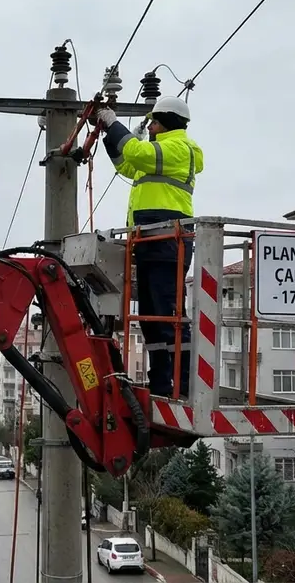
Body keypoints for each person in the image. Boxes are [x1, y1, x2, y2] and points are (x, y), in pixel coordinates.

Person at [93, 97, 204, 398]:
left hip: (168, 241)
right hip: (151, 242)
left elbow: (137, 151)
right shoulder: (158, 154)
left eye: (154, 121)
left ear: (166, 122)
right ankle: (160, 383)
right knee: (151, 318)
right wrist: (108, 133)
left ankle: (183, 385)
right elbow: (127, 165)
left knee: (169, 317)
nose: (150, 125)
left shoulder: (178, 148)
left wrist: (115, 123)